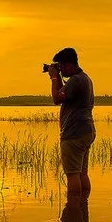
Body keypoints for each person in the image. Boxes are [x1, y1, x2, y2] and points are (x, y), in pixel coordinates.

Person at [47, 47, 95, 203]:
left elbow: (56, 98)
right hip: (86, 131)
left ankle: (74, 208)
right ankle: (83, 205)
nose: (60, 69)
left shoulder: (75, 80)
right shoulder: (85, 78)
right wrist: (57, 77)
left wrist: (54, 77)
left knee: (73, 174)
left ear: (68, 64)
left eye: (61, 65)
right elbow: (64, 93)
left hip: (74, 133)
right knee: (82, 173)